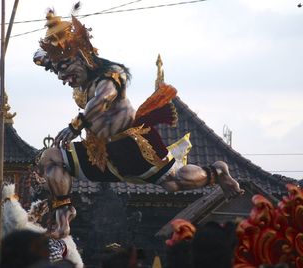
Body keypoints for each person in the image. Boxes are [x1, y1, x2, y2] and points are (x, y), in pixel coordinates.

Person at [33, 10, 244, 239]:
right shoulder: (81, 80)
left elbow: (102, 101)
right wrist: (46, 57)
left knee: (174, 184)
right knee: (51, 158)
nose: (62, 77)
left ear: (82, 57)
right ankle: (63, 220)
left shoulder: (112, 76)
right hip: (101, 153)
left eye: (64, 68)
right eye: (57, 71)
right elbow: (47, 57)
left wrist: (76, 124)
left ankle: (216, 171)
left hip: (131, 145)